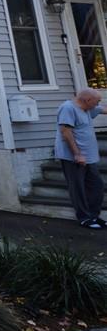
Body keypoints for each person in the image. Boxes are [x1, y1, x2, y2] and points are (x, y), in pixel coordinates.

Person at [56, 88, 106, 229]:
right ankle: (84, 218)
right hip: (74, 157)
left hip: (88, 157)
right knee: (78, 187)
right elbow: (65, 132)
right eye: (97, 101)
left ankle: (94, 216)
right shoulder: (68, 108)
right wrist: (77, 154)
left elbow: (104, 110)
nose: (99, 104)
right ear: (88, 100)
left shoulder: (88, 109)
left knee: (97, 186)